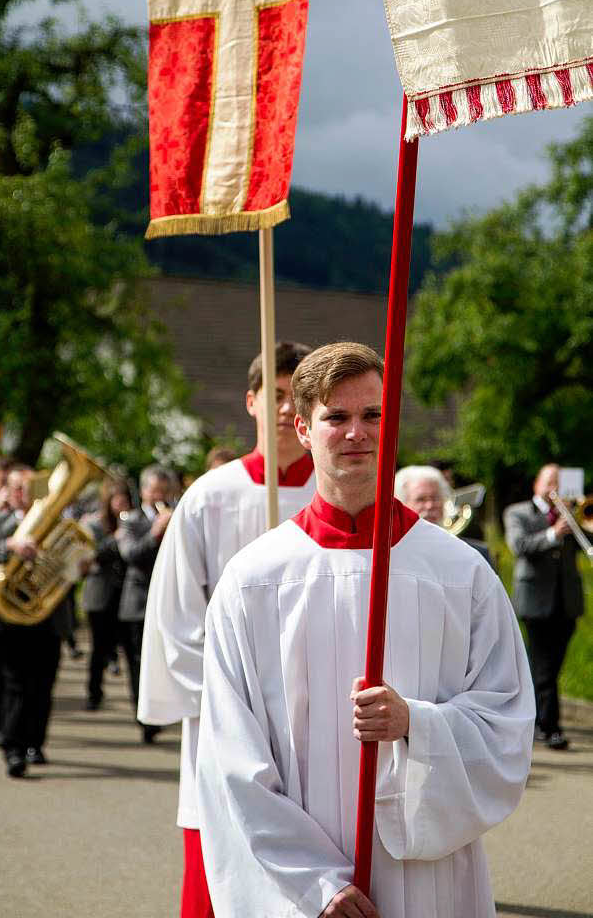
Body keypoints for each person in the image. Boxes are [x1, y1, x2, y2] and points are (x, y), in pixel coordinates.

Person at [196, 342, 535, 918]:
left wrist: (416, 724)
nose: (357, 432)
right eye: (336, 417)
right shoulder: (253, 580)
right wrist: (315, 884)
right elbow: (231, 758)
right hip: (301, 888)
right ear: (303, 428)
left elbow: (507, 721)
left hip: (425, 875)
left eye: (372, 415)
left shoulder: (459, 572)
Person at [138, 340, 316, 918]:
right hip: (223, 719)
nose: (290, 411)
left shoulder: (340, 493)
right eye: (279, 395)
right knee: (219, 868)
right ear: (251, 401)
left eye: (302, 399)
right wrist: (231, 700)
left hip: (319, 724)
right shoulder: (209, 498)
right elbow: (176, 619)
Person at [0, 467, 75, 776]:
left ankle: (35, 743)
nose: (23, 495)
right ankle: (14, 748)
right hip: (6, 617)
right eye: (17, 489)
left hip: (45, 615)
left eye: (29, 489)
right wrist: (9, 546)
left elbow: (72, 559)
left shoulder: (56, 523)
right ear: (8, 490)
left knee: (43, 683)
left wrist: (76, 562)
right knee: (15, 682)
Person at [503, 463, 585, 751]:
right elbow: (519, 546)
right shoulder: (518, 512)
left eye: (559, 483)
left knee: (552, 666)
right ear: (536, 484)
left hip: (567, 602)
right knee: (543, 667)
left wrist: (577, 523)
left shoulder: (571, 513)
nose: (554, 489)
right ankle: (550, 728)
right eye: (550, 482)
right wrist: (553, 533)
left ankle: (538, 721)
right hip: (535, 601)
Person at [115, 464, 177, 740]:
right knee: (138, 663)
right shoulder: (131, 520)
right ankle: (144, 718)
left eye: (164, 490)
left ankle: (161, 711)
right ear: (143, 491)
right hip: (138, 603)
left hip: (167, 600)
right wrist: (155, 532)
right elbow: (131, 555)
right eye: (154, 490)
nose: (159, 495)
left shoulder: (175, 515)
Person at [394, 464, 494, 566]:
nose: (430, 505)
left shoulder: (477, 554)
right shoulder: (393, 556)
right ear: (402, 504)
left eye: (435, 498)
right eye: (420, 499)